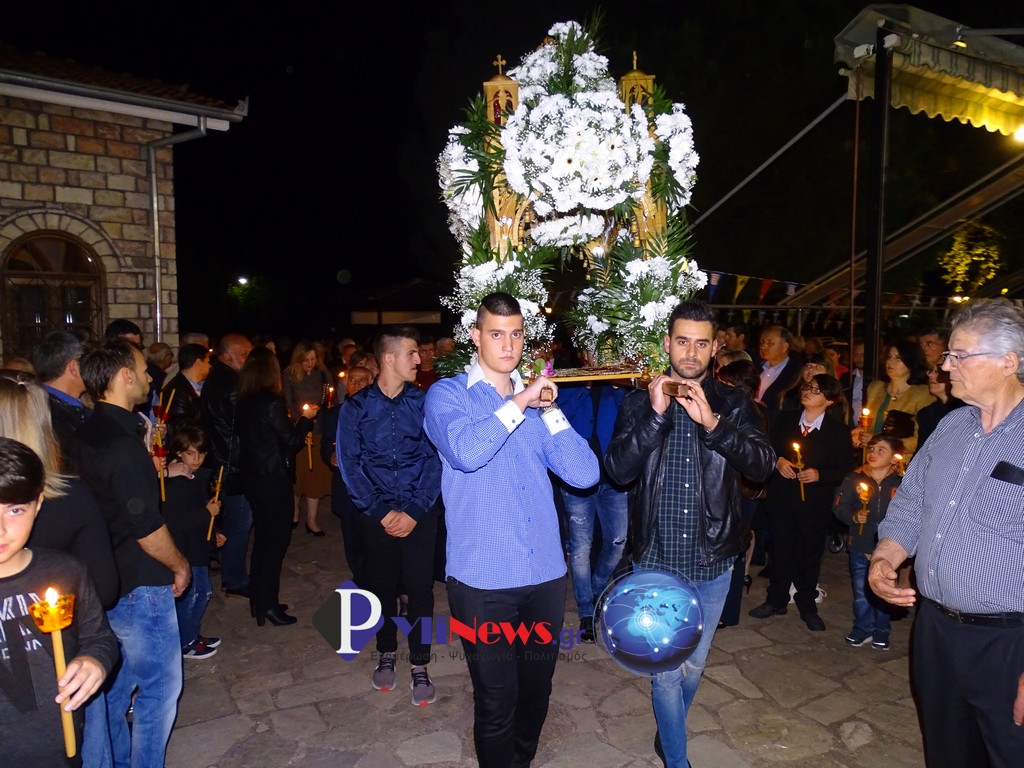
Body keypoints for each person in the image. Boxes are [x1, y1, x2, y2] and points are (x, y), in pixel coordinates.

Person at [423, 292, 600, 767]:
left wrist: (550, 411)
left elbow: (585, 475)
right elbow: (466, 452)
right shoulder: (448, 395)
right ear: (475, 336)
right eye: (497, 334)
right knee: (496, 700)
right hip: (483, 580)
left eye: (516, 334)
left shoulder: (538, 405)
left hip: (544, 575)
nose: (508, 344)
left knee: (536, 693)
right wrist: (520, 400)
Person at [605, 300, 775, 768]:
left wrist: (714, 425)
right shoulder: (639, 402)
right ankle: (677, 759)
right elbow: (617, 470)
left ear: (715, 348)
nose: (691, 352)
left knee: (694, 665)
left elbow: (761, 465)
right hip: (656, 559)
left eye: (702, 343)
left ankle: (670, 730)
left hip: (713, 559)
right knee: (665, 672)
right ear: (667, 343)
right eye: (683, 341)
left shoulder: (734, 404)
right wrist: (656, 418)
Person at [868, 299, 1024, 767]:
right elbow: (912, 504)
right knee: (946, 752)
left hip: (1008, 643)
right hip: (935, 630)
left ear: (1008, 362)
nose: (944, 365)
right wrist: (885, 557)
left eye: (959, 355)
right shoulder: (951, 426)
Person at [73, 339, 191, 767]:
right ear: (124, 376)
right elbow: (144, 526)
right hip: (139, 579)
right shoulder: (120, 444)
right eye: (142, 370)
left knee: (115, 686)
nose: (148, 378)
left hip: (106, 575)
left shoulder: (88, 430)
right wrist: (179, 565)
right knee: (159, 687)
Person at [0, 437, 119, 767]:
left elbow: (99, 637)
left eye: (15, 510)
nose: (1, 529)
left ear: (38, 504)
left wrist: (95, 661)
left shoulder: (65, 571)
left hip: (60, 751)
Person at [337, 327, 442, 704]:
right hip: (375, 515)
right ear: (389, 358)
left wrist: (413, 510)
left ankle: (420, 663)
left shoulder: (425, 403)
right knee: (380, 588)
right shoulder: (356, 408)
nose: (419, 359)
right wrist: (380, 512)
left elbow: (436, 459)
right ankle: (385, 652)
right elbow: (349, 465)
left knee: (420, 590)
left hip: (420, 513)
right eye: (412, 353)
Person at [749, 374, 853, 631]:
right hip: (783, 498)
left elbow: (844, 468)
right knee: (780, 549)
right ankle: (776, 599)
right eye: (807, 387)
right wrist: (778, 461)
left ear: (829, 400)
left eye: (816, 390)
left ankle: (807, 603)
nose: (807, 392)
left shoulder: (837, 431)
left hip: (814, 503)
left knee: (809, 552)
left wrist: (820, 475)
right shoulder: (785, 420)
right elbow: (768, 447)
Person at [235, 346, 316, 626]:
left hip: (253, 478)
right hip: (272, 480)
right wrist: (306, 421)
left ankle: (261, 599)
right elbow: (290, 441)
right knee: (274, 544)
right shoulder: (271, 402)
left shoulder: (244, 400)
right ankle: (267, 605)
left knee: (263, 542)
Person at [556, 382, 629, 643]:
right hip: (577, 482)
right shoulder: (567, 389)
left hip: (613, 481)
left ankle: (597, 590)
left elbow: (629, 417)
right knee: (580, 549)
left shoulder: (618, 390)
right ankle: (586, 610)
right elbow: (559, 420)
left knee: (617, 542)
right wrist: (582, 388)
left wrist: (618, 386)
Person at [832, 433, 903, 650]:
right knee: (861, 590)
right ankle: (862, 627)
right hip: (860, 544)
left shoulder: (901, 483)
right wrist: (854, 516)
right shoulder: (855, 478)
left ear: (894, 458)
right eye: (871, 449)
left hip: (888, 547)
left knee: (883, 589)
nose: (873, 453)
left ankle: (882, 629)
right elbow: (839, 505)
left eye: (881, 450)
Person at [200, 332, 253, 598]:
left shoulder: (219, 378)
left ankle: (231, 572)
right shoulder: (231, 384)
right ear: (225, 356)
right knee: (239, 522)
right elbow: (241, 429)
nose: (248, 359)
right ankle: (235, 579)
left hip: (224, 460)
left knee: (233, 520)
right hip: (232, 464)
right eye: (243, 354)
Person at [164, 420, 222, 660]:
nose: (196, 459)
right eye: (190, 454)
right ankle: (185, 641)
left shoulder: (197, 477)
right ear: (179, 453)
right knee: (193, 595)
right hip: (185, 547)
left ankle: (191, 634)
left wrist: (215, 530)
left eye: (201, 453)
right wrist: (207, 513)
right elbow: (176, 520)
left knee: (202, 592)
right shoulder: (177, 483)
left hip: (198, 544)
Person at [320, 365, 373, 585]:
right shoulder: (334, 414)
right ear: (346, 384)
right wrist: (329, 456)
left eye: (363, 380)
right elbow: (326, 443)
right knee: (352, 539)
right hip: (346, 488)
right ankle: (361, 578)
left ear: (372, 382)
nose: (358, 385)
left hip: (374, 487)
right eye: (353, 380)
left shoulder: (379, 411)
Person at [850, 341, 935, 459]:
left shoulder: (923, 394)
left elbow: (922, 439)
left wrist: (878, 441)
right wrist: (860, 432)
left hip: (900, 462)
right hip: (872, 460)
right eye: (889, 357)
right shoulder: (876, 388)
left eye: (898, 358)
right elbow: (869, 424)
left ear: (911, 362)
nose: (891, 362)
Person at [282, 341, 332, 535]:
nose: (310, 363)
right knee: (298, 472)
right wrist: (302, 419)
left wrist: (320, 411)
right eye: (306, 360)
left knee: (314, 474)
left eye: (313, 359)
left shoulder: (322, 373)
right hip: (297, 429)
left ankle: (311, 519)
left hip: (317, 428)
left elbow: (328, 397)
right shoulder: (289, 374)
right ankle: (294, 512)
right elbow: (288, 400)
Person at [30, 329, 90, 473]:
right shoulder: (51, 418)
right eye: (90, 363)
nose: (95, 370)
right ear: (74, 367)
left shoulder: (42, 403)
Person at [757, 325, 803, 428]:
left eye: (770, 343)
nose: (763, 346)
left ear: (784, 346)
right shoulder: (756, 367)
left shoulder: (795, 374)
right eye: (762, 342)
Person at [160, 342, 211, 426]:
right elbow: (182, 426)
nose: (210, 366)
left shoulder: (198, 386)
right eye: (208, 362)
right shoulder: (176, 392)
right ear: (198, 362)